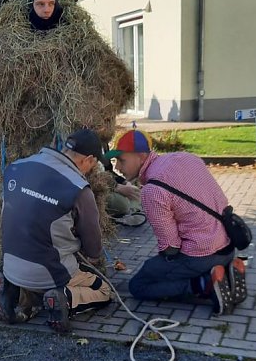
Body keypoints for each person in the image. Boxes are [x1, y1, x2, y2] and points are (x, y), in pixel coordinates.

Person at [104, 130, 247, 315]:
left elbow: (170, 247)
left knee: (139, 285)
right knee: (162, 267)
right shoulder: (186, 158)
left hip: (201, 256)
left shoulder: (152, 190)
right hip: (228, 246)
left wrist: (162, 266)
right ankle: (225, 273)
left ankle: (204, 285)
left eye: (121, 160)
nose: (117, 167)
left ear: (141, 156)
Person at [0, 128, 112, 332]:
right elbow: (93, 247)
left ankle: (14, 293)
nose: (91, 170)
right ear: (89, 159)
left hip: (10, 264)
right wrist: (92, 257)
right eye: (94, 165)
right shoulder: (78, 187)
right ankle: (65, 299)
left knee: (34, 277)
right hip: (49, 271)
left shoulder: (16, 167)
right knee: (103, 290)